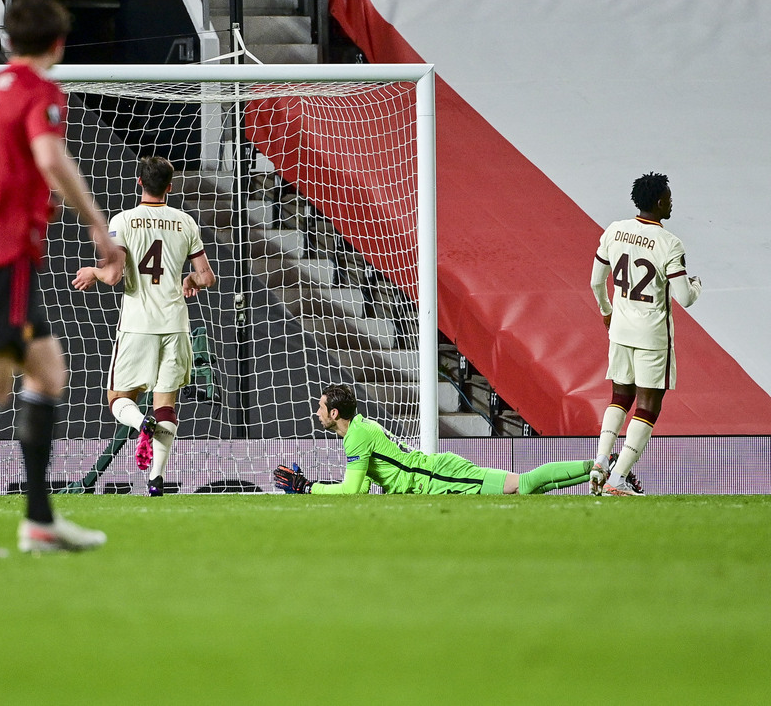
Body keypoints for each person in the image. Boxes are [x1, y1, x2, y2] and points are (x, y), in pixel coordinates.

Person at [0, 0, 123, 556]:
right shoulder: (40, 92)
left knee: (48, 372)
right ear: (58, 44)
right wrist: (98, 225)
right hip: (4, 253)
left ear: (9, 41)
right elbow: (50, 157)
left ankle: (39, 521)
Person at [73, 155, 215, 496]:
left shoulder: (123, 221)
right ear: (170, 187)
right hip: (175, 326)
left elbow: (113, 275)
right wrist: (190, 280)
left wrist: (92, 271)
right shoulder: (186, 222)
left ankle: (141, 423)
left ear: (139, 182)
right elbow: (207, 277)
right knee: (166, 405)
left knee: (117, 398)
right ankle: (156, 479)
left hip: (138, 326)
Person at [587, 172, 700, 497]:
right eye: (669, 198)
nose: (671, 203)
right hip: (652, 335)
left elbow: (596, 281)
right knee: (648, 407)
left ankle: (599, 463)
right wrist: (697, 285)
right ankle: (618, 477)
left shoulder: (615, 230)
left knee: (619, 397)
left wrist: (606, 312)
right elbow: (685, 298)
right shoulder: (669, 243)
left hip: (620, 329)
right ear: (660, 202)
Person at [273, 383, 594, 495]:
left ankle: (600, 465)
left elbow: (351, 490)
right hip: (433, 474)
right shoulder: (359, 429)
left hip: (438, 476)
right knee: (527, 490)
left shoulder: (357, 435)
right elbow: (363, 484)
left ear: (334, 413)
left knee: (522, 484)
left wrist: (308, 487)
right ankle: (598, 470)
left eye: (320, 407)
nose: (316, 411)